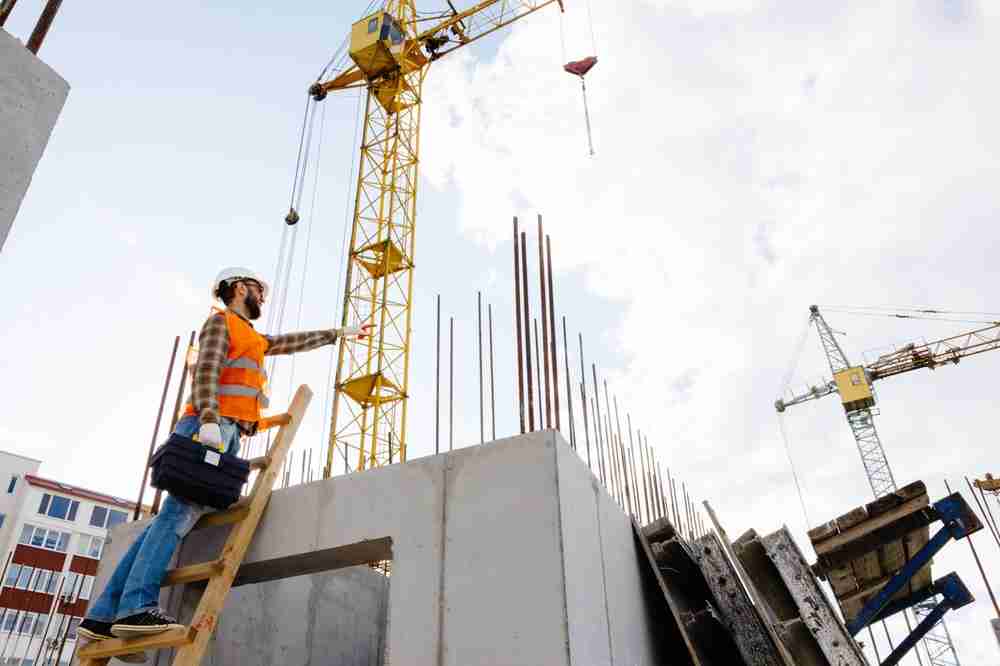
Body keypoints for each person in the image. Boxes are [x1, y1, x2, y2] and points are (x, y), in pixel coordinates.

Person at [78, 267, 368, 656]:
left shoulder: (253, 337)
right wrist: (211, 418)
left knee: (167, 521)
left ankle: (102, 615)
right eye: (256, 288)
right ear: (235, 289)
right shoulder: (221, 322)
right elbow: (207, 371)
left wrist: (337, 334)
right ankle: (136, 607)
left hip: (225, 430)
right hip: (207, 426)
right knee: (177, 518)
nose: (262, 295)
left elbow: (287, 342)